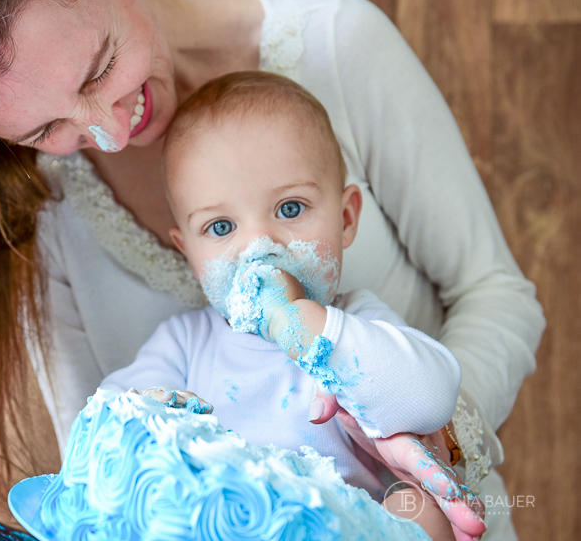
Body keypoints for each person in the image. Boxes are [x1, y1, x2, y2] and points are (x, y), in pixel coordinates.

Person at [0, 0, 544, 539]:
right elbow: (103, 457)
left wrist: (426, 439)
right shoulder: (45, 198)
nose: (110, 133)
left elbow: (496, 295)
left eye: (99, 68)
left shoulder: (338, 48)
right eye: (43, 129)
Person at [100, 70, 465, 540]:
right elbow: (101, 432)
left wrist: (310, 327)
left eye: (290, 209)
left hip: (341, 527)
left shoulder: (356, 325)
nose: (259, 244)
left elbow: (431, 398)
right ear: (188, 253)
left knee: (420, 510)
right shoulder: (185, 346)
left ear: (347, 218)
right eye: (221, 227)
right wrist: (151, 413)